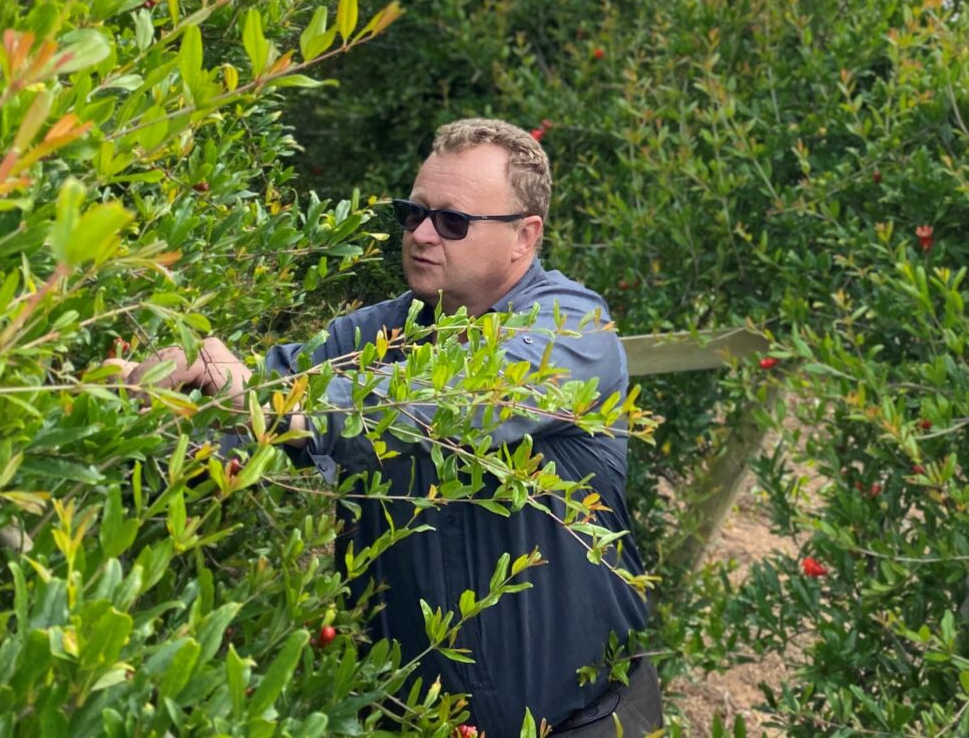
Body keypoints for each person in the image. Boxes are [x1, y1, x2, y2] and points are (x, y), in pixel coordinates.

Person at [116, 118, 662, 735]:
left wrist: (273, 407)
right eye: (414, 214)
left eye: (452, 221)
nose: (423, 234)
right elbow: (256, 398)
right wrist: (159, 394)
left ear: (523, 236)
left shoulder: (573, 331)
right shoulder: (367, 338)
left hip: (586, 722)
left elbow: (451, 401)